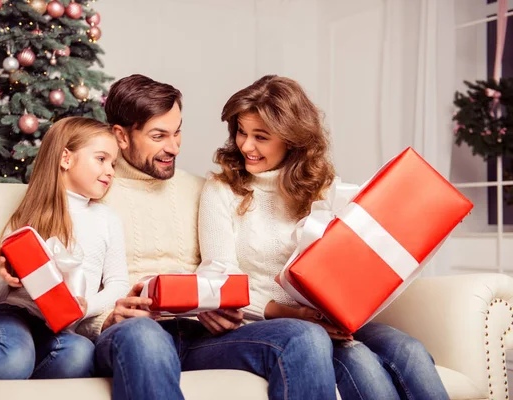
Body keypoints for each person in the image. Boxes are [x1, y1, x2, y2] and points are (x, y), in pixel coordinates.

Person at [80, 74, 337, 400]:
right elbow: (67, 292)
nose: (173, 147)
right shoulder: (93, 194)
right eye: (159, 136)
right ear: (121, 136)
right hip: (133, 333)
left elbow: (222, 270)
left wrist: (222, 307)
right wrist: (106, 320)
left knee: (305, 337)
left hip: (200, 335)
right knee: (145, 335)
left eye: (177, 133)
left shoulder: (201, 190)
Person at [198, 75, 449, 400]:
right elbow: (221, 280)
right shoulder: (221, 190)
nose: (246, 146)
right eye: (241, 132)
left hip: (327, 318)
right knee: (359, 361)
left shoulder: (324, 186)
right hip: (267, 322)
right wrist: (292, 315)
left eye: (260, 136)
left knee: (409, 350)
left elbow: (347, 266)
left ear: (291, 139)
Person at [0, 117, 129, 383]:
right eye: (101, 159)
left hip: (62, 329)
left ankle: (19, 373)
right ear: (66, 159)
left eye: (113, 164)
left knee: (81, 354)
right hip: (14, 318)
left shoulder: (108, 219)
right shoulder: (31, 215)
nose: (110, 171)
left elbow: (118, 283)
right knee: (12, 359)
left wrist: (86, 307)